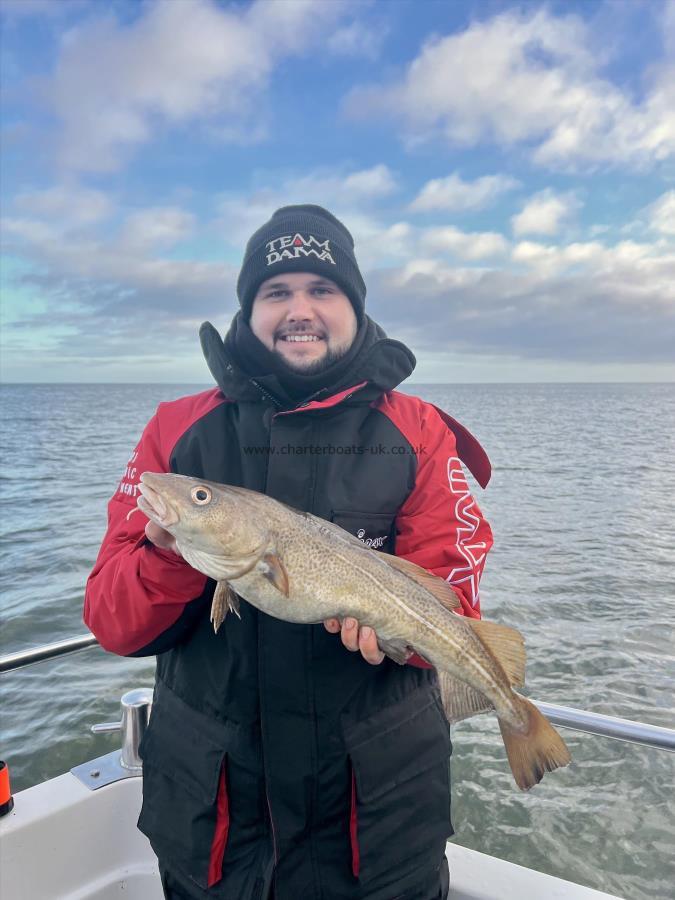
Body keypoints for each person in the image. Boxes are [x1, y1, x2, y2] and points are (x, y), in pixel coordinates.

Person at [84, 205, 493, 900]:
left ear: (354, 308)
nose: (298, 310)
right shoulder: (178, 430)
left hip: (375, 815)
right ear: (248, 310)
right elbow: (113, 621)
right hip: (214, 813)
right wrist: (175, 547)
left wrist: (403, 638)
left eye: (321, 290)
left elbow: (451, 592)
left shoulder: (416, 427)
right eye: (275, 292)